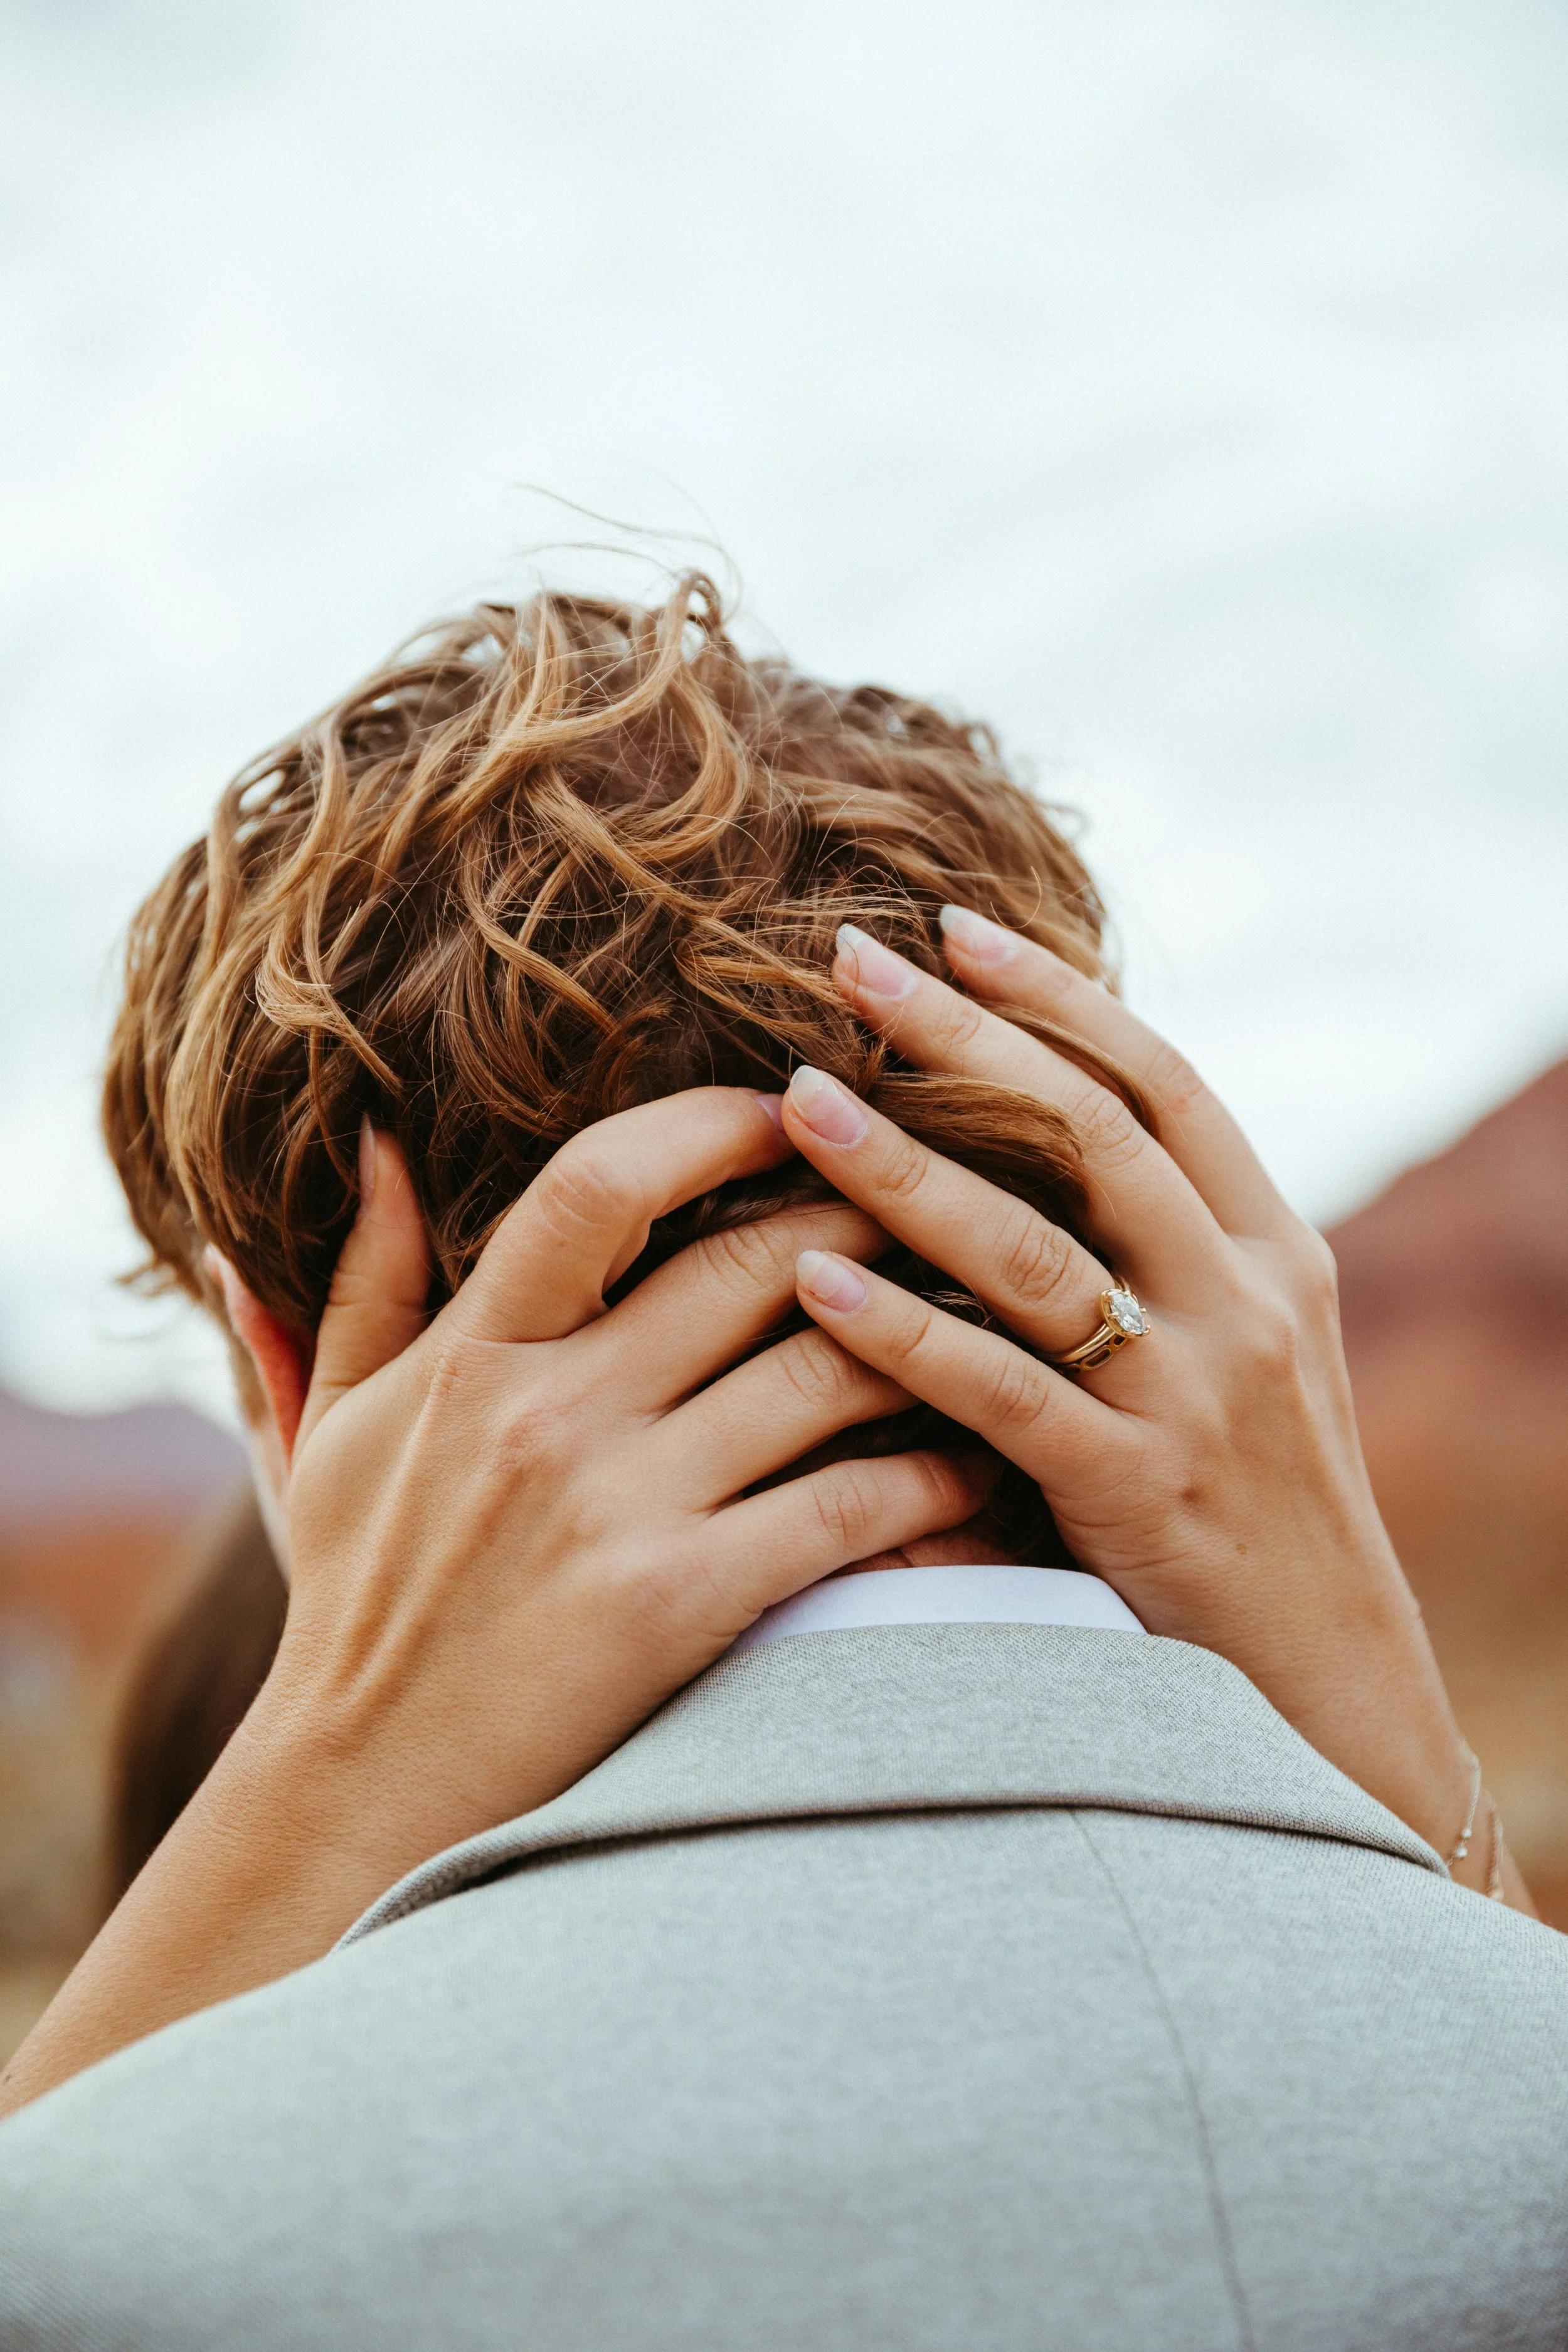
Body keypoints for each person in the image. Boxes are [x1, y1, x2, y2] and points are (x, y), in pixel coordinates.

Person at [0, 577, 1563, 2349]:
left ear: (279, 1371)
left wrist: (307, 1782)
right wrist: (1412, 1778)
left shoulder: (118, 2236)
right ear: (1068, 1220)